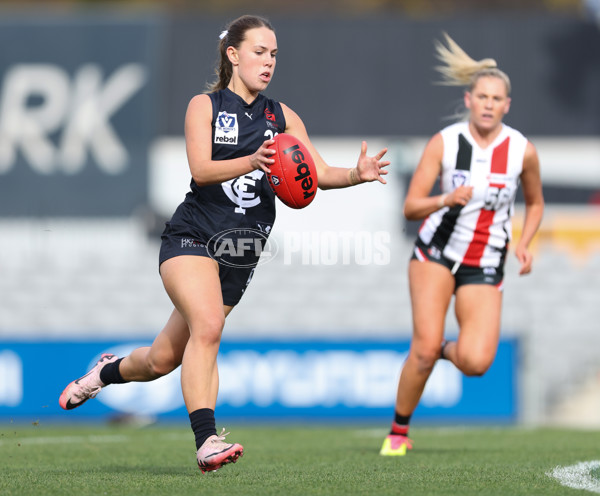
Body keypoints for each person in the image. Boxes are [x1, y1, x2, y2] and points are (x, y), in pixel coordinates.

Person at [58, 14, 389, 473]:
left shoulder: (283, 116)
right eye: (259, 51)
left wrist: (355, 175)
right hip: (192, 237)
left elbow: (314, 172)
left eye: (274, 54)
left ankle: (103, 372)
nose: (268, 61)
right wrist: (252, 159)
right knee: (209, 326)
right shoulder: (205, 106)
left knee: (160, 360)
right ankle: (206, 440)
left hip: (241, 253)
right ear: (233, 54)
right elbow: (201, 169)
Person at [380, 33, 544, 456]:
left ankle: (437, 350)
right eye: (482, 96)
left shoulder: (522, 150)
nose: (489, 104)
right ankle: (398, 433)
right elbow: (411, 207)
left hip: (485, 262)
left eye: (497, 98)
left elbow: (536, 201)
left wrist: (524, 242)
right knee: (422, 350)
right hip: (436, 253)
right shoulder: (445, 143)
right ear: (469, 99)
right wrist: (445, 198)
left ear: (507, 105)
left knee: (475, 362)